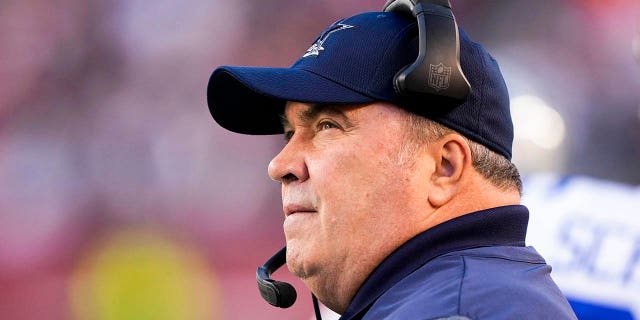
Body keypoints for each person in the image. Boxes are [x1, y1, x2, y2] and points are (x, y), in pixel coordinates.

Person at [206, 4, 578, 320]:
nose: (279, 165)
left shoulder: (457, 310)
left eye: (327, 126)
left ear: (443, 167)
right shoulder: (468, 297)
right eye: (290, 134)